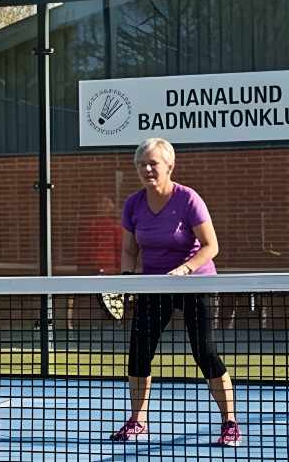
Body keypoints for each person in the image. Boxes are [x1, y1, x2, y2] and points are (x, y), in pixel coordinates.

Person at [110, 137, 238, 446]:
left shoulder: (188, 199)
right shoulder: (133, 204)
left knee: (204, 353)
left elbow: (212, 246)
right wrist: (128, 279)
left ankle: (230, 422)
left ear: (170, 165)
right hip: (153, 287)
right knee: (139, 353)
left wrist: (185, 269)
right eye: (142, 165)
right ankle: (138, 421)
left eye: (153, 163)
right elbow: (129, 249)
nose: (147, 169)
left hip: (197, 284)